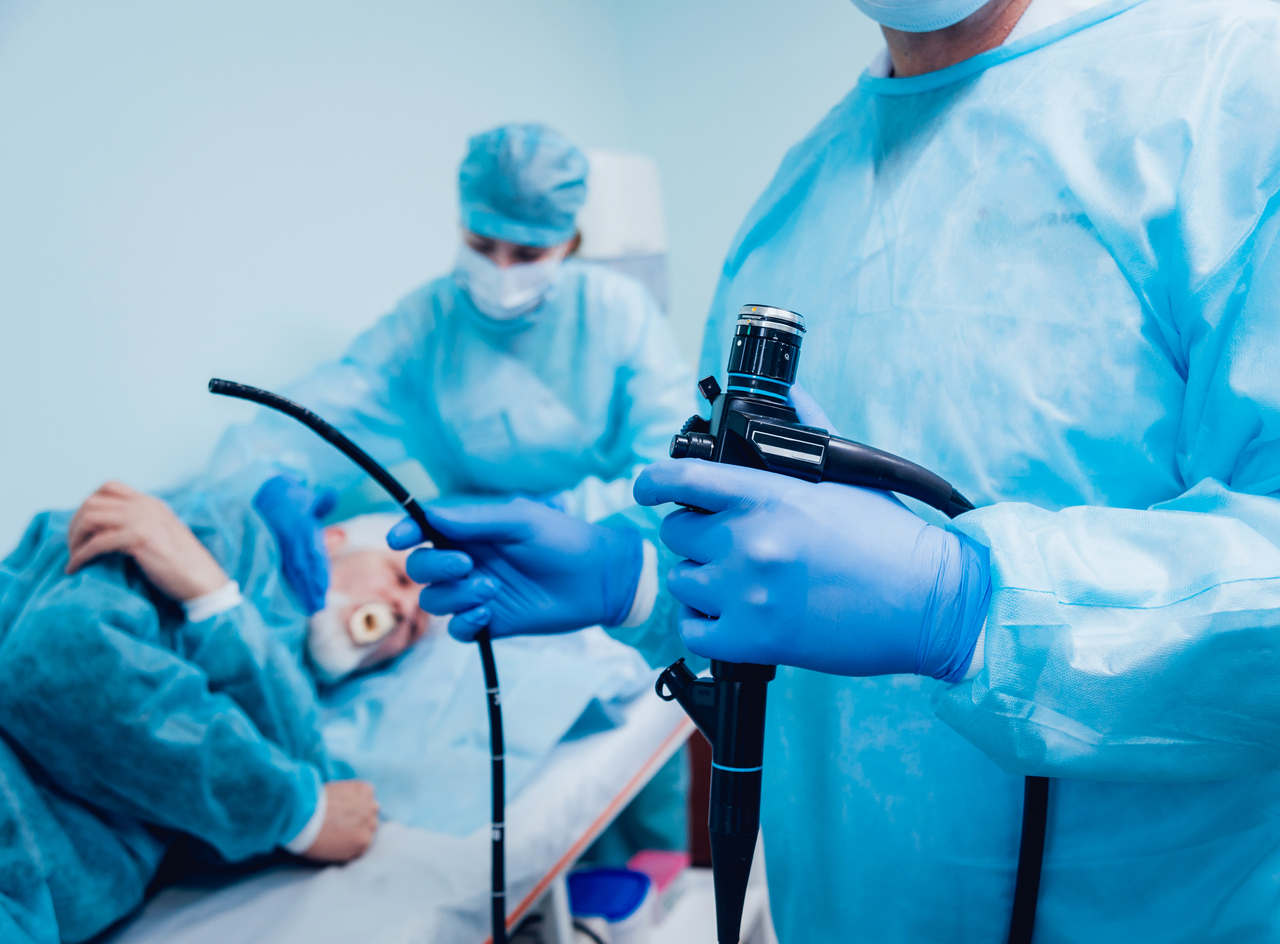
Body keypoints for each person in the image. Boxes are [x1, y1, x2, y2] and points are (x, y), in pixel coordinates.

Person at [384, 0, 1280, 940]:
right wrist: (643, 580)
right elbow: (773, 570)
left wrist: (970, 604)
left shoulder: (1234, 100)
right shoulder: (797, 197)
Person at [202, 122, 694, 615]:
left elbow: (672, 467)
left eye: (528, 254)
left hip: (618, 560)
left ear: (567, 242)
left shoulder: (616, 309)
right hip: (481, 566)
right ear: (461, 226)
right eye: (482, 246)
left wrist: (565, 516)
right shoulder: (421, 330)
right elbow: (291, 430)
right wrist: (271, 485)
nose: (502, 271)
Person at [0, 479, 432, 944]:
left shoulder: (296, 690)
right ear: (334, 539)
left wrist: (217, 604)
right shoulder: (228, 533)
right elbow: (65, 656)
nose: (403, 610)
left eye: (412, 630)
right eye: (400, 577)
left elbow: (312, 812)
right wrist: (293, 811)